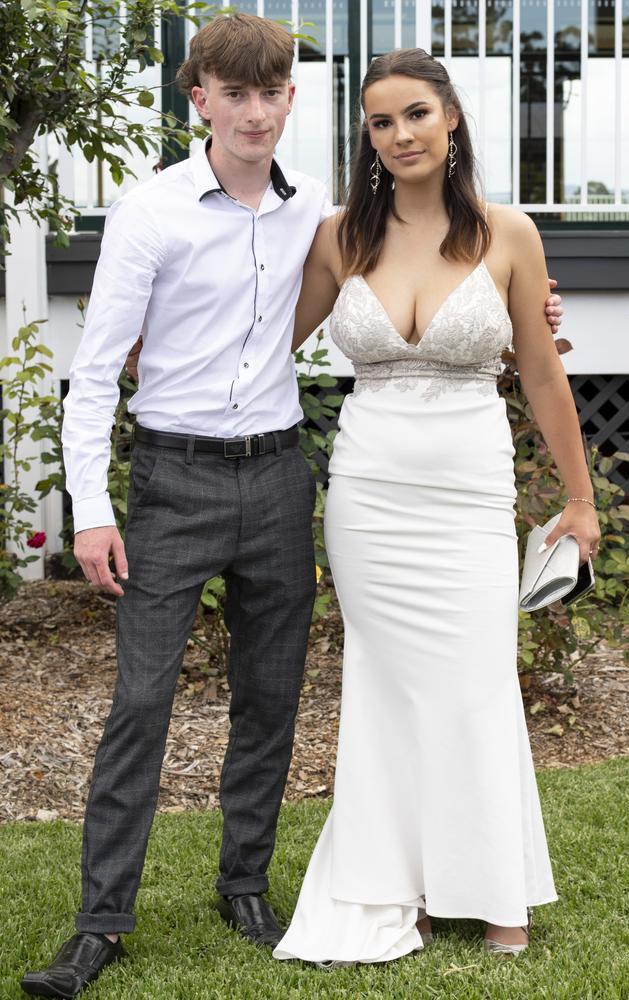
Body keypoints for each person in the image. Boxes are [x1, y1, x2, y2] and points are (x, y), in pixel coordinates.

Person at [20, 19, 564, 997]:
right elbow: (97, 370)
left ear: (291, 103)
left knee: (269, 700)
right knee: (141, 701)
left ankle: (245, 887)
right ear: (200, 100)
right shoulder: (150, 212)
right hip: (172, 480)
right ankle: (99, 924)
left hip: (279, 476)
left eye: (270, 93)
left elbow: (385, 291)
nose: (253, 111)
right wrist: (91, 510)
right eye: (234, 93)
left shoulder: (316, 213)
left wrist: (526, 306)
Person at [273, 48, 599, 967]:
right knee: (384, 687)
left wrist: (579, 500)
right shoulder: (340, 236)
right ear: (367, 139)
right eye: (381, 122)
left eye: (415, 113)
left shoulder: (510, 235)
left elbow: (540, 372)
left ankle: (497, 890)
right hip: (370, 491)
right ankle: (395, 887)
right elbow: (265, 339)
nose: (401, 134)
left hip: (465, 486)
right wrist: (158, 340)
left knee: (475, 680)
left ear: (450, 118)